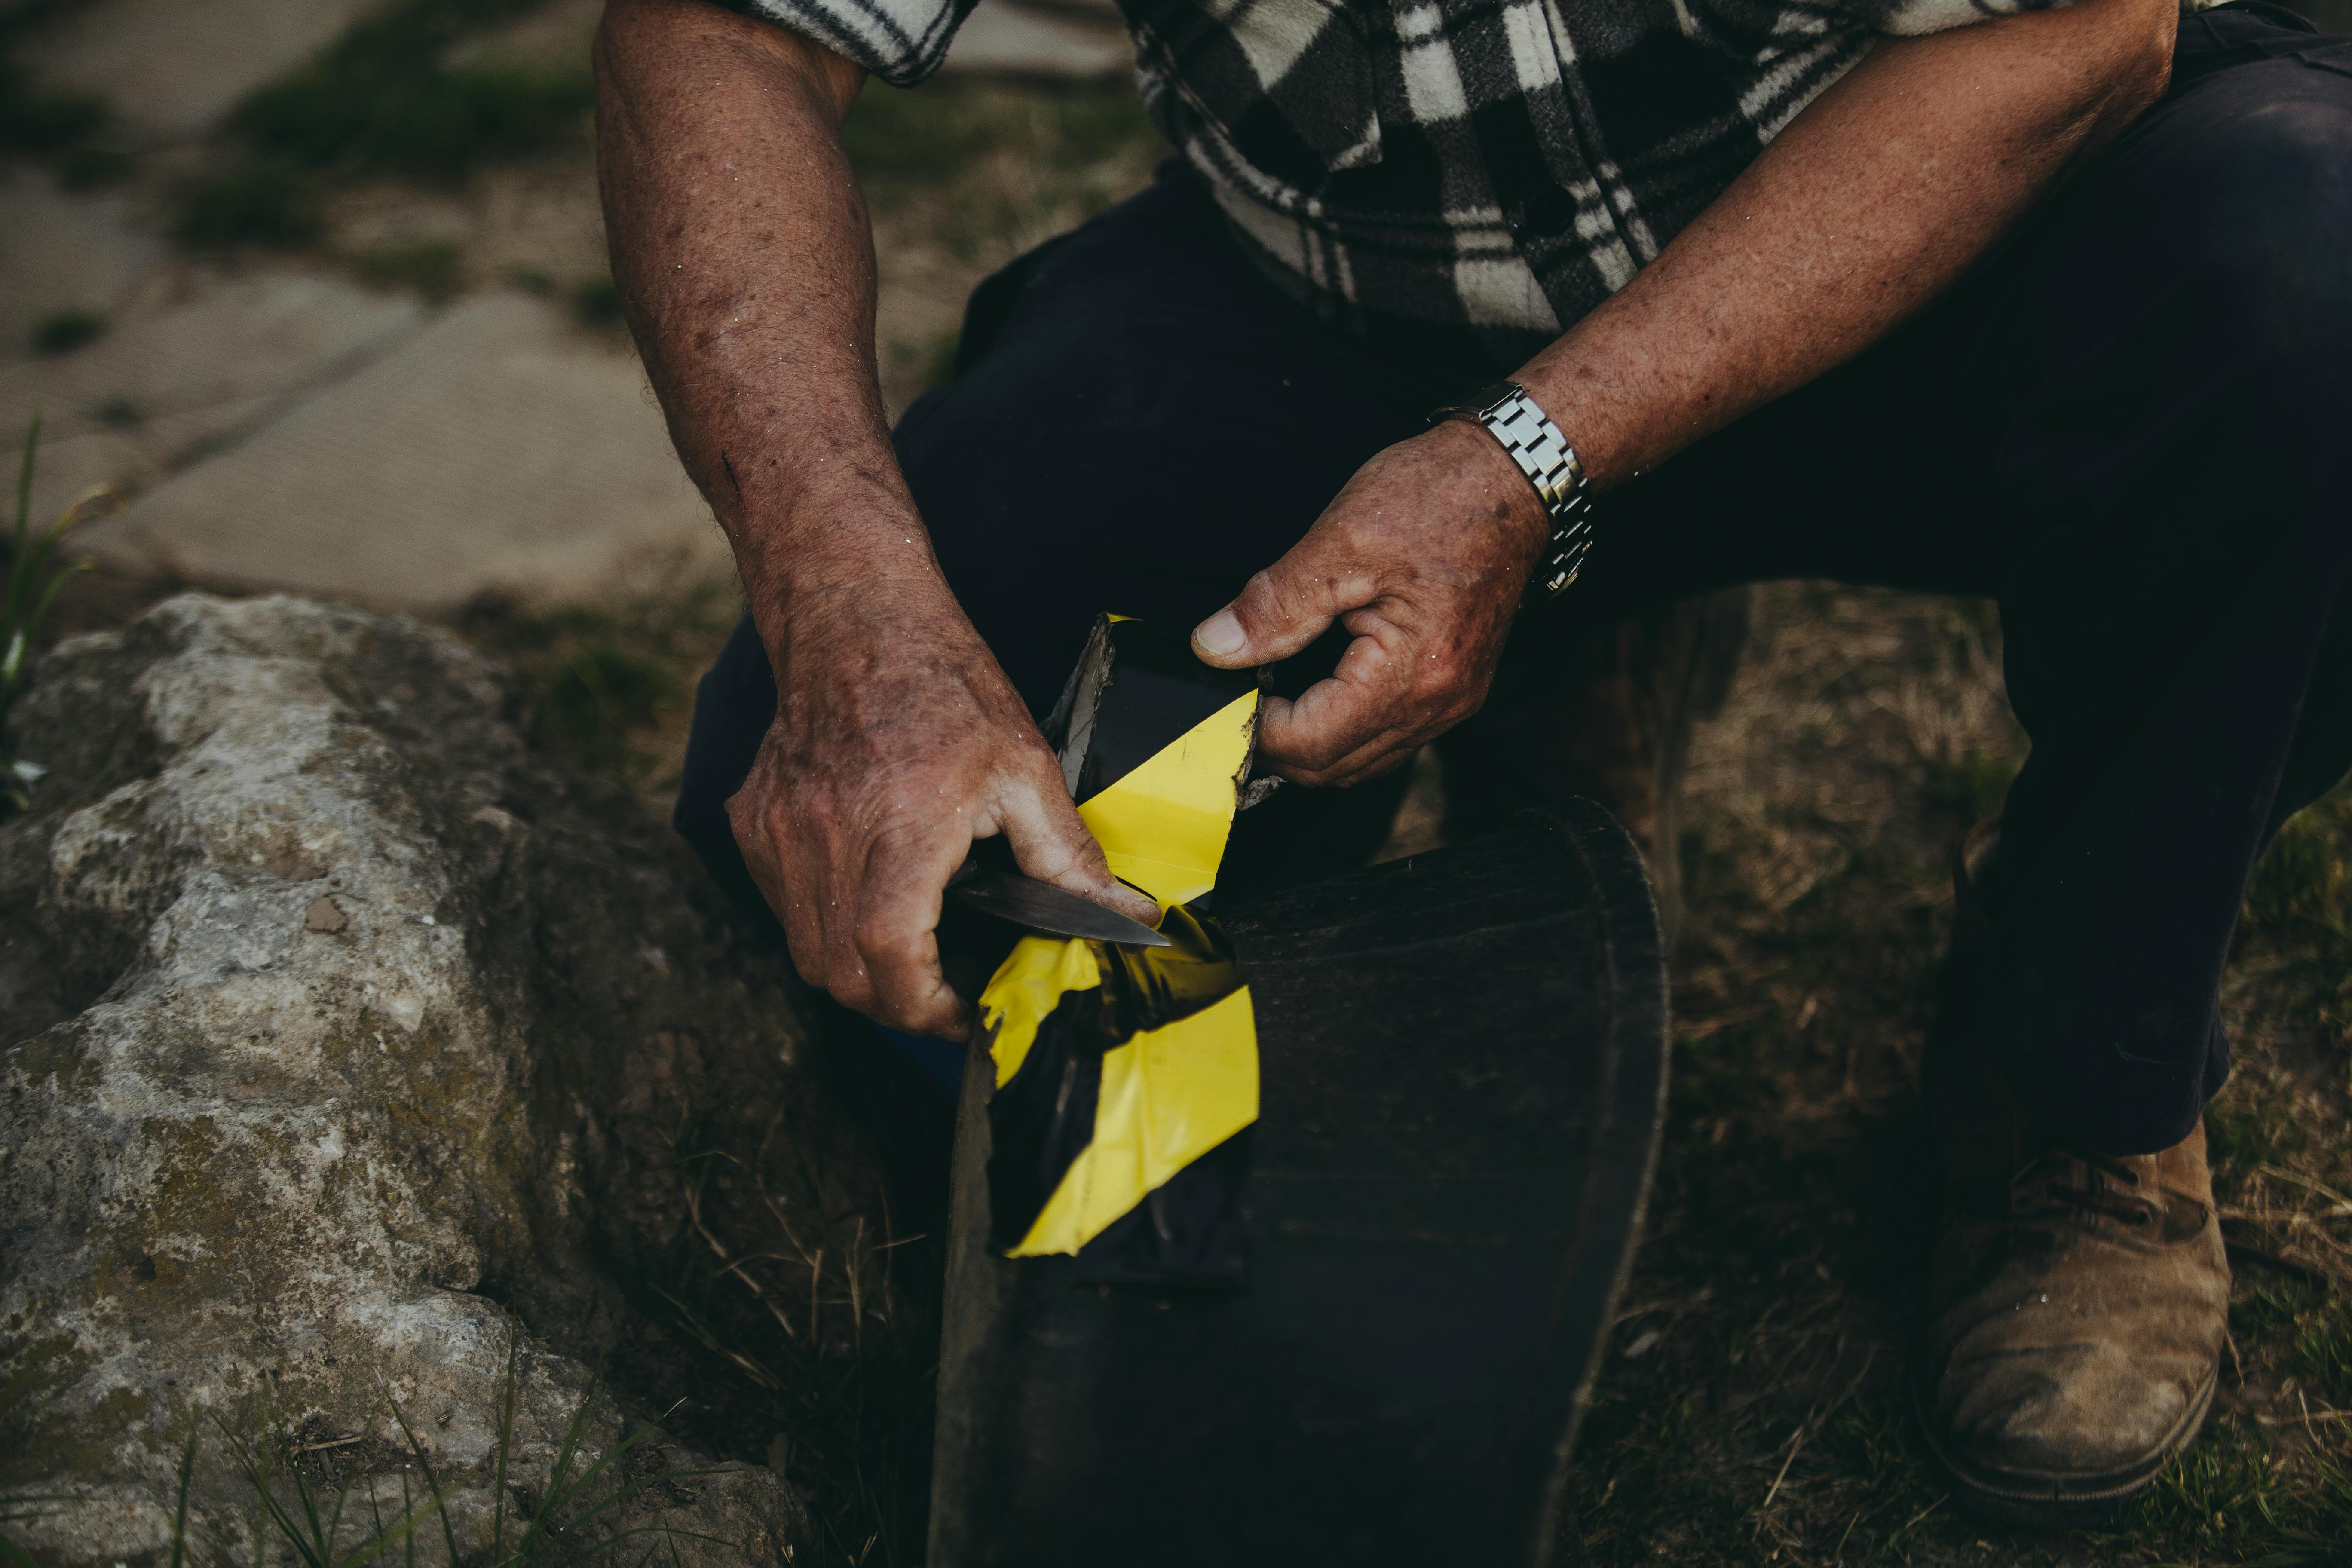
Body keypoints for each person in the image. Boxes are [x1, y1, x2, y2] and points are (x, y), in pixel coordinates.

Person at [594, 0, 2351, 1524]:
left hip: (1953, 205)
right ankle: (1212, 1148)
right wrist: (860, 628)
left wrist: (1532, 468)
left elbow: (2085, 30)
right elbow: (727, 31)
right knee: (847, 817)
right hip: (1354, 302)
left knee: (2307, 285)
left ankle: (2080, 1068)